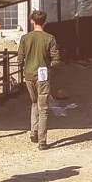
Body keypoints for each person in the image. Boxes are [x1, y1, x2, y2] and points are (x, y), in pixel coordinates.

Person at [17, 9, 60, 150]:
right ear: (45, 22)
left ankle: (33, 131)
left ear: (32, 21)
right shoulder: (50, 38)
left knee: (34, 102)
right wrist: (47, 66)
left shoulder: (25, 38)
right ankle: (42, 141)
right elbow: (56, 60)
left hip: (29, 75)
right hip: (43, 76)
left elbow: (19, 59)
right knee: (44, 108)